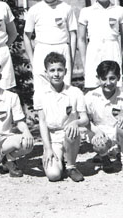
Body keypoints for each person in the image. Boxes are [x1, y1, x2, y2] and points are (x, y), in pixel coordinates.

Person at [34, 52, 88, 182]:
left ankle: (71, 166)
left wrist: (75, 123)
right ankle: (58, 160)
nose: (56, 74)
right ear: (46, 73)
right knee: (54, 175)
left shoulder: (75, 92)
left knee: (71, 130)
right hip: (52, 138)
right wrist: (48, 149)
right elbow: (42, 122)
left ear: (66, 71)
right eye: (52, 70)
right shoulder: (40, 93)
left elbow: (85, 119)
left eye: (60, 70)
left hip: (69, 135)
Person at [23, 0, 77, 93]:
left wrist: (72, 58)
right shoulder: (34, 10)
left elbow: (73, 35)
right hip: (42, 50)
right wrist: (32, 60)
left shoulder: (66, 8)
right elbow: (26, 36)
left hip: (62, 49)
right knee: (41, 92)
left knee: (64, 91)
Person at [84, 60, 123, 178]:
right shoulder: (90, 97)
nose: (108, 83)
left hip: (116, 133)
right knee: (101, 144)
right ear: (98, 78)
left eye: (112, 78)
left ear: (118, 77)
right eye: (104, 79)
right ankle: (104, 157)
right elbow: (85, 119)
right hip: (99, 133)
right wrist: (96, 131)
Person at [78, 0, 123, 92]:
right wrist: (85, 64)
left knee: (113, 91)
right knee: (93, 92)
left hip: (112, 52)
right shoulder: (86, 12)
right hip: (93, 55)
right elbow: (81, 39)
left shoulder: (119, 11)